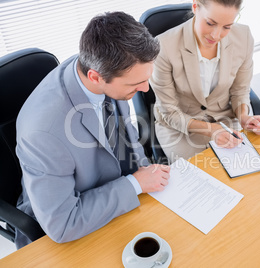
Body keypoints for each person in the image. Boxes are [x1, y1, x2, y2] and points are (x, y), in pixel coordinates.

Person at [15, 12, 170, 249]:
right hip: (73, 220)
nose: (145, 88)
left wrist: (144, 169)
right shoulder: (43, 132)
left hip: (115, 193)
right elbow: (63, 224)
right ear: (95, 77)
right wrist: (135, 184)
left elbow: (126, 133)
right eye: (135, 84)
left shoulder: (103, 67)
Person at [150, 0, 260, 162]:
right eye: (210, 23)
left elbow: (240, 90)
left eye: (227, 27)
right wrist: (211, 130)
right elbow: (169, 111)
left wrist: (244, 116)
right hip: (180, 126)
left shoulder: (243, 37)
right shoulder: (163, 46)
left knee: (245, 172)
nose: (216, 35)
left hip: (224, 119)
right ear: (195, 7)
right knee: (196, 180)